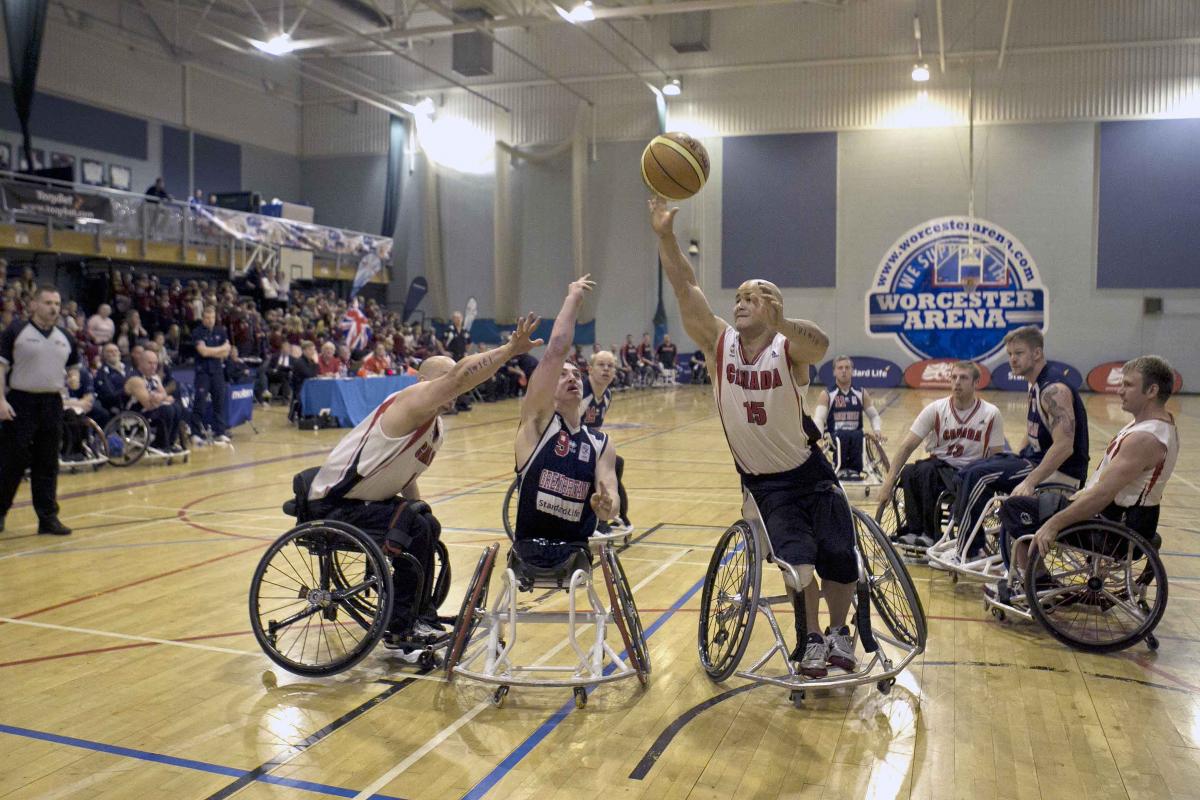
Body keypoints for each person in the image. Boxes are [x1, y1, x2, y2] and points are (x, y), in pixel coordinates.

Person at [650, 195, 854, 678]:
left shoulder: (788, 346)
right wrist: (664, 236)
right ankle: (811, 641)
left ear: (774, 306)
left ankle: (841, 631)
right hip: (764, 483)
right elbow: (685, 286)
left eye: (752, 296)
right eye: (738, 296)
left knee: (840, 552)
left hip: (809, 468)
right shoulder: (719, 344)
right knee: (798, 563)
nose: (740, 302)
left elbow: (820, 345)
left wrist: (781, 321)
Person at [307, 313, 543, 651]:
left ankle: (421, 614)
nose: (453, 385)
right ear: (422, 379)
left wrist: (420, 509)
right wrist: (508, 349)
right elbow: (462, 376)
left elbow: (408, 477)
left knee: (425, 522)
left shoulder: (435, 426)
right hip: (334, 502)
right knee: (414, 527)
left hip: (362, 503)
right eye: (443, 377)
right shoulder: (411, 401)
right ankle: (399, 627)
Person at [994, 356, 1178, 591]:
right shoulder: (1157, 425)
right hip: (1124, 518)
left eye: (1128, 385)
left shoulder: (1145, 439)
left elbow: (1101, 496)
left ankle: (1037, 582)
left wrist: (1053, 524)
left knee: (1014, 507)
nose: (1120, 391)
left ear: (1152, 390)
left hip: (1113, 526)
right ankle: (1034, 575)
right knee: (1032, 503)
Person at [950, 326, 1089, 550]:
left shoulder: (1053, 389)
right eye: (1010, 354)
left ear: (1037, 353)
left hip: (1063, 473)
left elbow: (1064, 447)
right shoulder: (1034, 383)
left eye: (1019, 353)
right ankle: (966, 530)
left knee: (979, 476)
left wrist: (1029, 481)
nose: (1012, 359)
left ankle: (969, 548)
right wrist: (1015, 458)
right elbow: (1033, 429)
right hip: (1035, 461)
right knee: (970, 468)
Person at [512, 276, 618, 568]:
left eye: (575, 374)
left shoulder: (601, 443)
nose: (572, 376)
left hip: (575, 550)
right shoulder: (536, 423)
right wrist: (573, 299)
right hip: (528, 547)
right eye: (562, 374)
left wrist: (608, 507)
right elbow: (557, 348)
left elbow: (609, 493)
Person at [876, 361, 1005, 549]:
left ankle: (930, 534)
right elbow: (906, 446)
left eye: (963, 378)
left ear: (976, 383)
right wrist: (888, 481)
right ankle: (914, 530)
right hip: (940, 467)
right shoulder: (936, 409)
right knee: (910, 471)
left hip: (970, 474)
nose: (957, 382)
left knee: (928, 472)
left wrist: (996, 492)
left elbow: (997, 458)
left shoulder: (991, 413)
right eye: (954, 377)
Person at [0, 286, 77, 535]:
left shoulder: (65, 336)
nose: (53, 307)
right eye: (47, 302)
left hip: (51, 403)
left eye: (56, 303)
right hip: (20, 402)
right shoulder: (16, 331)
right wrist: (0, 401)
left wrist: (73, 378)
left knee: (47, 463)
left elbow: (73, 367)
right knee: (12, 462)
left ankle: (47, 518)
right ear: (34, 304)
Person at [582, 349, 632, 533]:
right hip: (569, 444)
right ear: (590, 369)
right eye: (601, 365)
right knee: (595, 468)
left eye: (610, 366)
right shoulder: (581, 392)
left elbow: (595, 429)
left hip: (588, 444)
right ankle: (595, 521)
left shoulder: (607, 395)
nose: (606, 369)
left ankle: (621, 515)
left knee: (616, 463)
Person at [812, 355, 887, 479]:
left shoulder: (861, 393)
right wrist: (819, 437)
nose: (844, 371)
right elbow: (819, 419)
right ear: (834, 372)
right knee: (843, 436)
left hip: (856, 437)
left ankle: (855, 470)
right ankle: (841, 469)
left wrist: (877, 430)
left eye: (847, 367)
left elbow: (874, 416)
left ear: (852, 371)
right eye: (840, 368)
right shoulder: (827, 394)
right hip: (835, 437)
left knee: (858, 435)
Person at [124, 349, 184, 455]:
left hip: (151, 410)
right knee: (167, 409)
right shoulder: (135, 379)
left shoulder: (154, 377)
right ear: (141, 363)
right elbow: (148, 404)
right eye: (150, 363)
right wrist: (160, 398)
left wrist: (158, 397)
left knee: (177, 407)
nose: (153, 366)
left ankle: (170, 443)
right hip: (135, 415)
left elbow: (166, 396)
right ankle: (160, 444)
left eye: (155, 363)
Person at [193, 305, 231, 445]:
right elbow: (203, 352)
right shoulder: (197, 332)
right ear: (203, 318)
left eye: (213, 318)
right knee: (200, 403)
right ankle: (195, 433)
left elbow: (227, 353)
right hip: (203, 372)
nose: (210, 320)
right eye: (207, 317)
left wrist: (212, 351)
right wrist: (220, 349)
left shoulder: (221, 331)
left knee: (219, 403)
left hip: (217, 372)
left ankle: (220, 432)